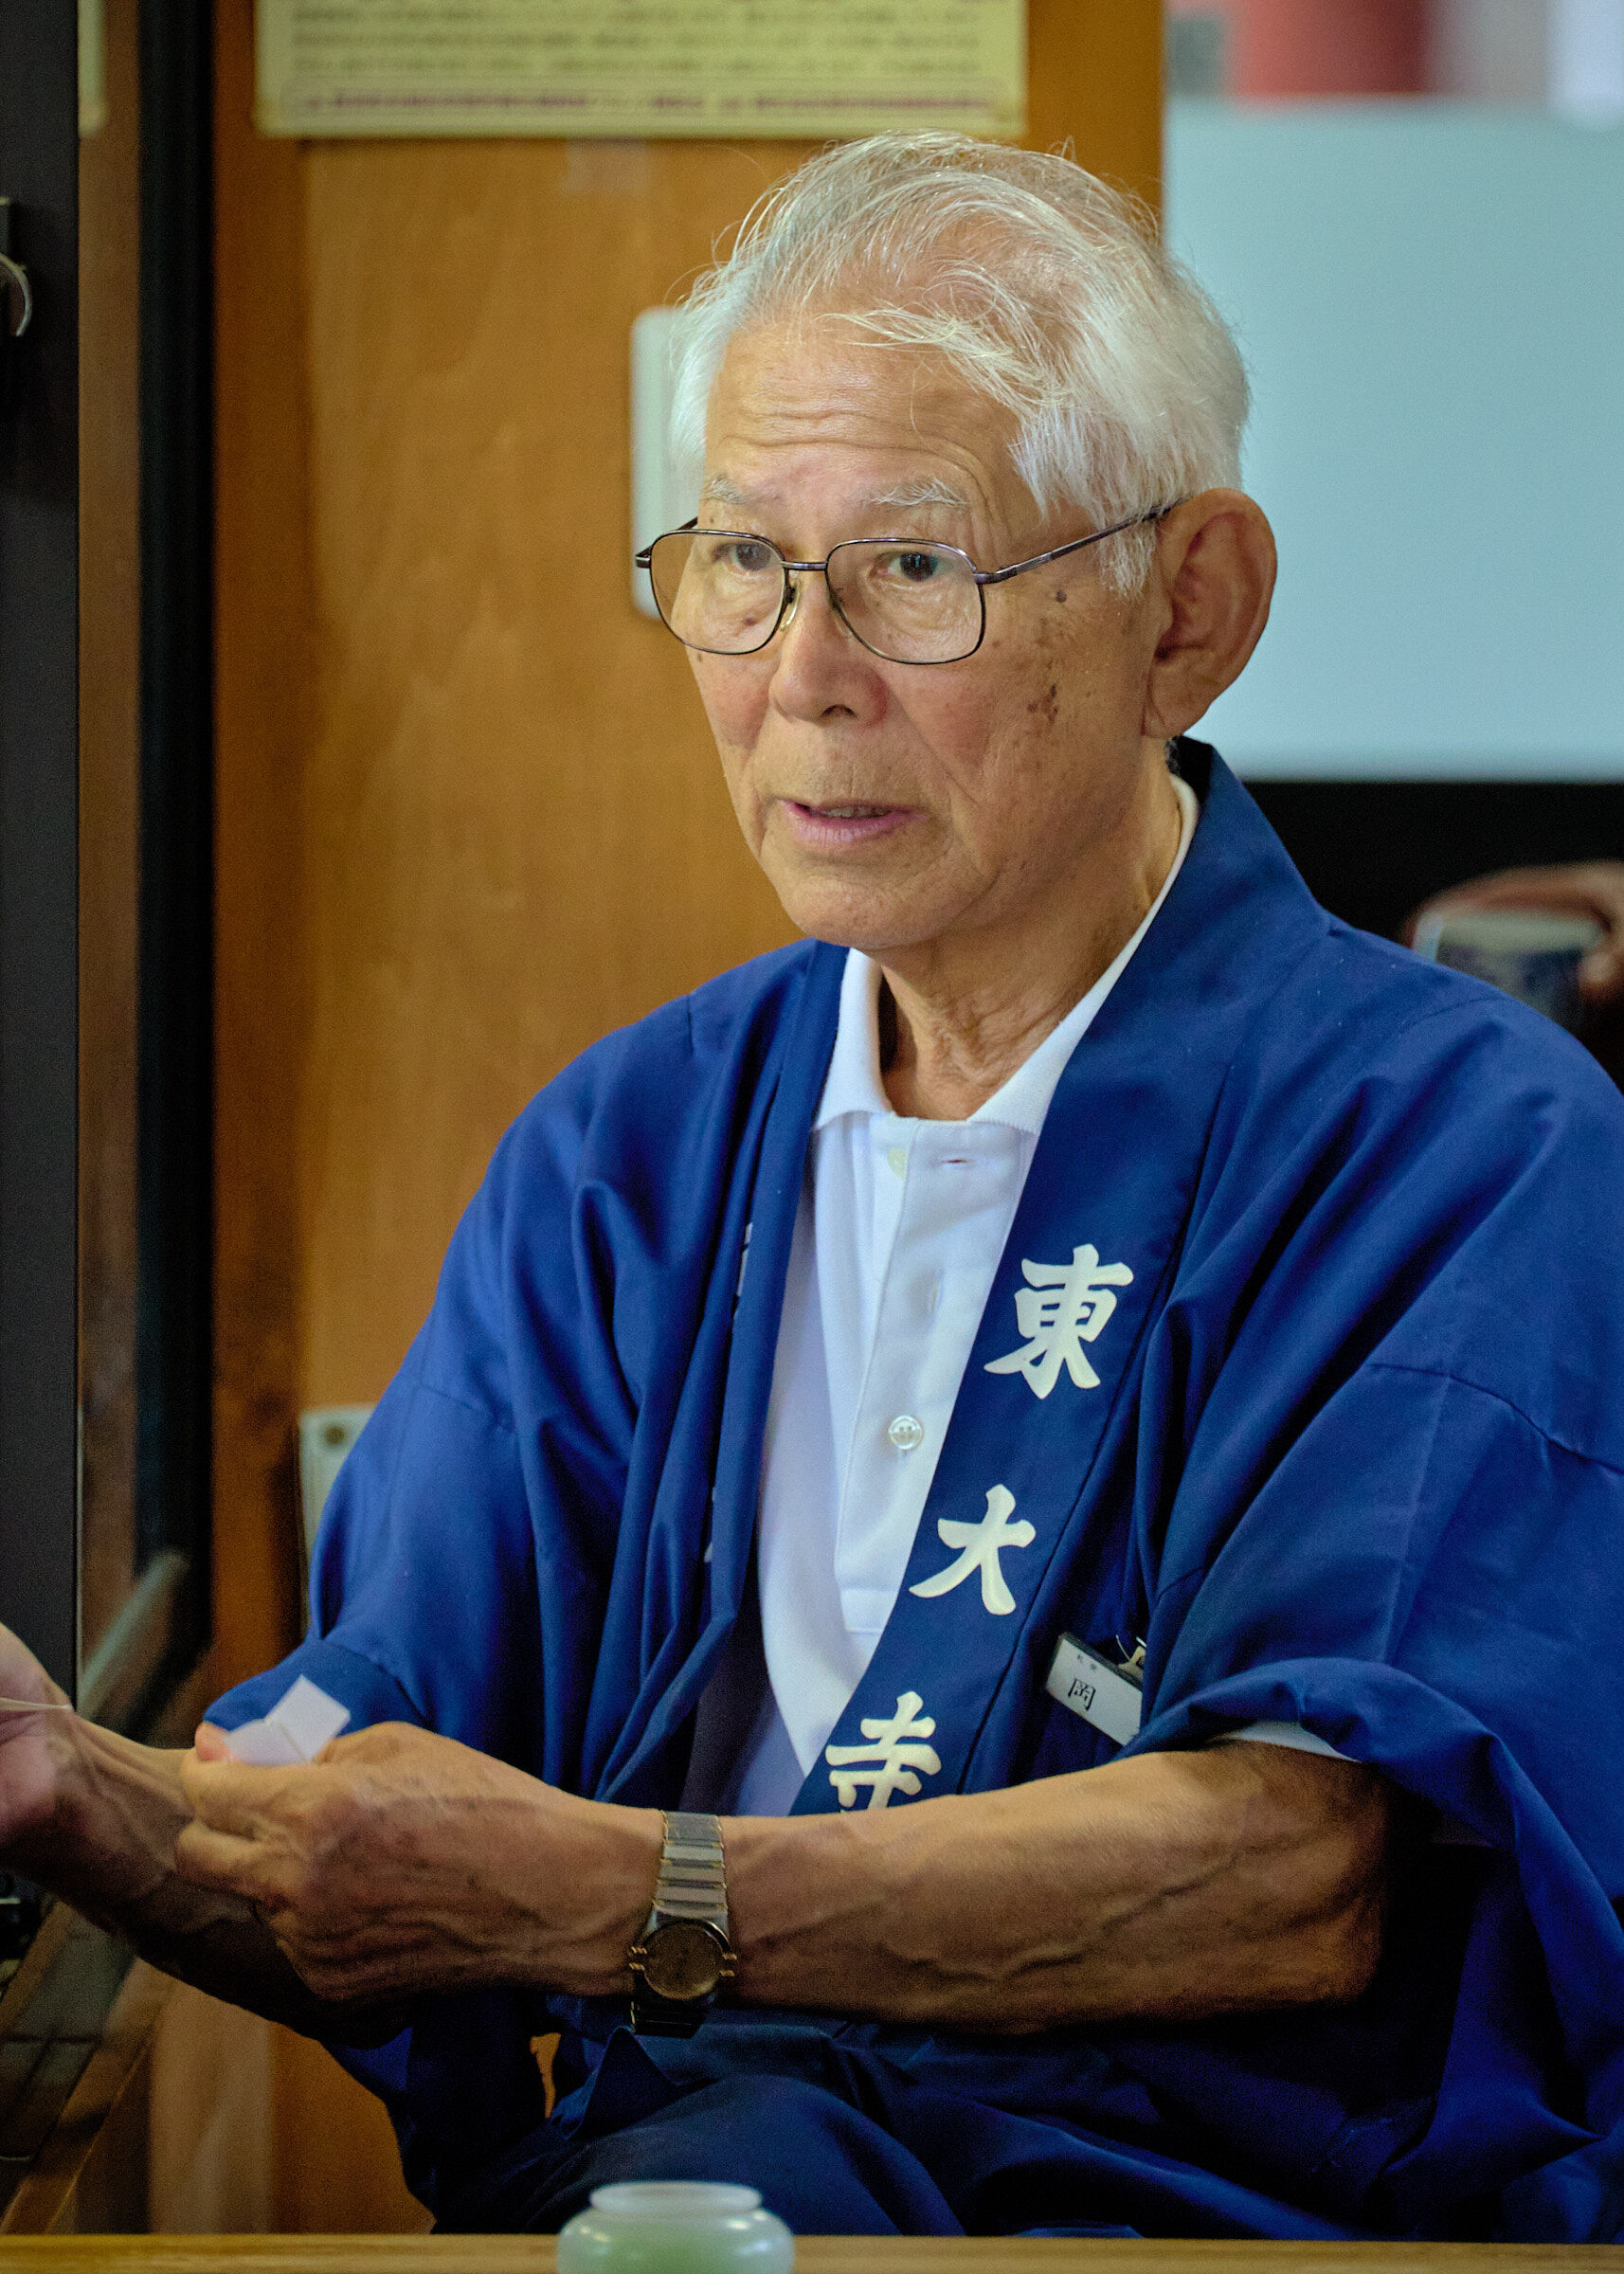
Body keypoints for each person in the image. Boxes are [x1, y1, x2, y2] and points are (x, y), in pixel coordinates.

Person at [3, 134, 1623, 2243]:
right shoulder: (630, 1149)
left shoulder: (1461, 1144)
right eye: (740, 562)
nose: (800, 674)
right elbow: (360, 1802)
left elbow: (1304, 1870)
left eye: (914, 569)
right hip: (701, 2196)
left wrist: (634, 1894)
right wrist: (79, 1790)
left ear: (1190, 611)